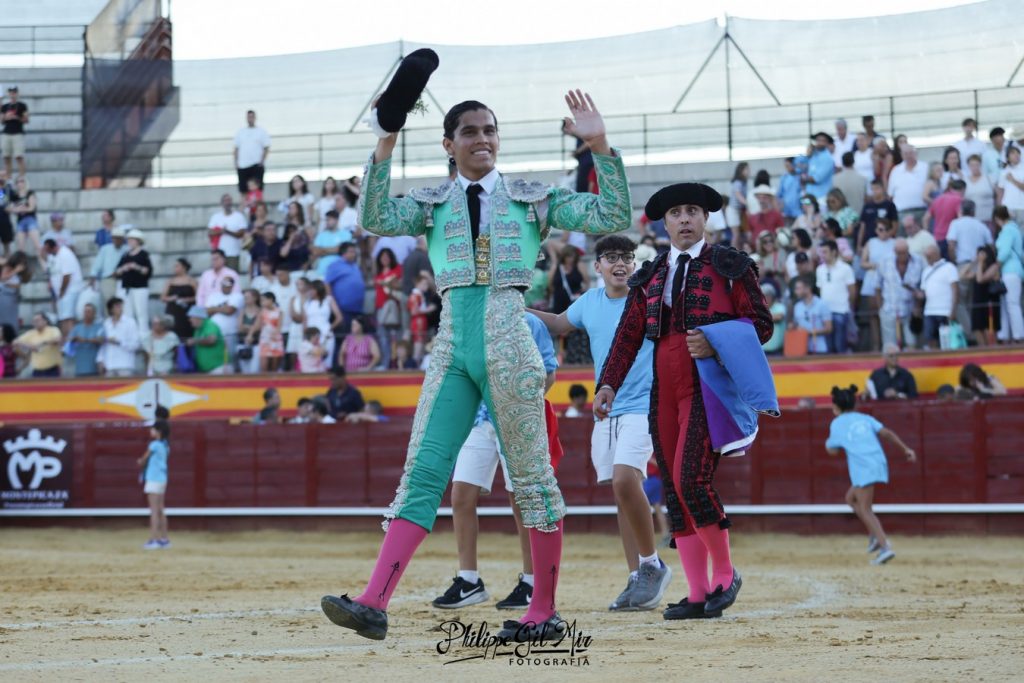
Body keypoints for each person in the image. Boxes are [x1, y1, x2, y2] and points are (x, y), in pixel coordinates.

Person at [320, 89, 631, 642]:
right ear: (449, 144)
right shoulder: (431, 202)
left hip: (510, 342)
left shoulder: (532, 198)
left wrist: (599, 145)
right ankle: (374, 601)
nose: (482, 139)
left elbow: (613, 214)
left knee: (532, 478)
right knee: (422, 472)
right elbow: (374, 216)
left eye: (490, 130)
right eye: (470, 131)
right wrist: (386, 138)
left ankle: (543, 611)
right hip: (452, 346)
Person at [594, 182, 772, 621]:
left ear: (705, 218)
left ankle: (724, 574)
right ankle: (697, 592)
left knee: (690, 477)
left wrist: (716, 341)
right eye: (676, 213)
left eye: (692, 210)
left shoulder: (730, 266)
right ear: (665, 223)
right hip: (664, 389)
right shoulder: (650, 275)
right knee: (674, 490)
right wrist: (608, 384)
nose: (685, 219)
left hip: (705, 386)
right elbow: (628, 336)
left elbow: (761, 323)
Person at [532, 235, 670, 611]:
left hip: (644, 404)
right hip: (607, 410)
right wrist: (516, 308)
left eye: (626, 257)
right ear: (598, 266)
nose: (620, 263)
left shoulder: (647, 300)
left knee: (626, 480)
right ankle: (636, 577)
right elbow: (558, 324)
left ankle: (652, 565)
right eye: (611, 257)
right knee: (622, 495)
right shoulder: (590, 302)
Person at [429, 313, 560, 613]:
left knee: (521, 499)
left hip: (516, 420)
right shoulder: (471, 322)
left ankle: (531, 582)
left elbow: (548, 374)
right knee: (461, 495)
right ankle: (469, 580)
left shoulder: (529, 323)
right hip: (480, 420)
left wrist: (521, 406)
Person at [825, 385, 916, 565]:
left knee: (865, 509)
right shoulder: (865, 418)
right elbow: (886, 433)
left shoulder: (837, 423)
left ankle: (884, 547)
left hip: (863, 467)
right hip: (877, 462)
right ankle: (875, 536)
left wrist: (829, 443)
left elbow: (833, 451)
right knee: (851, 499)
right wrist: (906, 449)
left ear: (836, 407)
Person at [877, 238, 923, 350]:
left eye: (905, 252)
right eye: (899, 253)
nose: (903, 255)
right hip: (889, 308)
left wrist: (918, 305)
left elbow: (923, 285)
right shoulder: (884, 261)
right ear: (894, 252)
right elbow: (877, 286)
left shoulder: (918, 261)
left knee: (912, 343)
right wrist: (880, 308)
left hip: (911, 310)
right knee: (890, 346)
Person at [918, 245, 960, 350]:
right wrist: (918, 295)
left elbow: (955, 290)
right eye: (926, 256)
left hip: (945, 311)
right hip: (929, 311)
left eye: (929, 256)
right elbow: (924, 292)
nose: (927, 259)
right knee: (931, 340)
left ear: (937, 254)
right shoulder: (926, 271)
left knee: (948, 342)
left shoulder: (949, 268)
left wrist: (953, 310)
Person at [138, 419, 171, 550]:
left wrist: (140, 462)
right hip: (162, 479)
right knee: (161, 509)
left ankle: (154, 540)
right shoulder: (166, 445)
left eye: (153, 429)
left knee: (154, 511)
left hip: (153, 479)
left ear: (159, 432)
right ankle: (164, 539)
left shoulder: (154, 445)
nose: (151, 431)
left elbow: (143, 460)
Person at [993, 206, 1024, 342]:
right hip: (1014, 270)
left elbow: (1004, 252)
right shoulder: (1015, 230)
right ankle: (1006, 334)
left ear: (997, 218)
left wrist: (996, 267)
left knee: (1011, 303)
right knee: (1008, 304)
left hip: (1009, 270)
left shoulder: (1007, 231)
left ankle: (1017, 335)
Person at [42, 238, 82, 337]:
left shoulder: (65, 254)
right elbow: (51, 272)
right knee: (62, 317)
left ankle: (69, 341)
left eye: (48, 250)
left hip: (69, 291)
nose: (47, 252)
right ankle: (65, 340)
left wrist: (61, 291)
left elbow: (66, 276)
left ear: (53, 247)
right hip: (60, 293)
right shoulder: (51, 256)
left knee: (68, 317)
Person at [114, 228, 152, 332]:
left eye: (132, 239)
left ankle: (143, 335)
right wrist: (124, 268)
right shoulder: (126, 254)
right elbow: (117, 271)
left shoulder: (144, 254)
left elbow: (147, 271)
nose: (129, 242)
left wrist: (136, 267)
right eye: (129, 240)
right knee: (128, 314)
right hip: (127, 288)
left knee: (141, 313)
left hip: (139, 288)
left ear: (138, 241)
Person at [204, 275, 243, 373]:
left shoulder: (237, 296)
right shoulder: (213, 296)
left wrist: (214, 309)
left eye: (227, 285)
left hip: (230, 332)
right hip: (215, 333)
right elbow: (207, 311)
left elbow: (230, 310)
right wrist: (222, 308)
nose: (225, 287)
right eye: (223, 284)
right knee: (217, 356)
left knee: (231, 356)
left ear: (232, 286)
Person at [325, 241, 366, 330]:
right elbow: (327, 284)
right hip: (342, 309)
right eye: (351, 251)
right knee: (345, 334)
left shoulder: (355, 266)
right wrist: (332, 304)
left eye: (354, 252)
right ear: (343, 253)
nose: (354, 254)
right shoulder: (335, 266)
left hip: (357, 309)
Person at [373, 248, 403, 369]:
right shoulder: (378, 273)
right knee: (383, 337)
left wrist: (387, 283)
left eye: (387, 256)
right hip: (380, 308)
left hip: (394, 307)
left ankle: (398, 364)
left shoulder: (398, 269)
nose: (384, 259)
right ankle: (385, 364)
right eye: (382, 257)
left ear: (391, 258)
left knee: (396, 337)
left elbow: (401, 285)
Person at [303, 280, 343, 365]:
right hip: (311, 336)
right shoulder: (307, 303)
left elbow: (339, 317)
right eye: (309, 289)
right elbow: (305, 322)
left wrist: (329, 328)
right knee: (312, 362)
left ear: (318, 289)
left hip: (325, 334)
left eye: (312, 289)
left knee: (326, 362)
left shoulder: (328, 300)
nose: (310, 292)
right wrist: (305, 337)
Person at [97, 297, 140, 377]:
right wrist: (100, 360)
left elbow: (136, 345)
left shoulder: (130, 322)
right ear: (111, 309)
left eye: (120, 306)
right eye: (117, 306)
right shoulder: (106, 323)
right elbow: (103, 343)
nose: (120, 308)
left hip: (125, 365)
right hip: (109, 365)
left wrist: (119, 342)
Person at [89, 225, 127, 312]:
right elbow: (97, 264)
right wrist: (93, 276)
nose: (117, 240)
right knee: (109, 303)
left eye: (119, 238)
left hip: (123, 280)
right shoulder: (105, 249)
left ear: (122, 239)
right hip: (108, 279)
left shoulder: (126, 250)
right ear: (112, 239)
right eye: (115, 238)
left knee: (122, 304)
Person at [887, 145, 928, 225]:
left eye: (911, 153)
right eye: (906, 153)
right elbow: (890, 194)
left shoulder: (925, 168)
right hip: (901, 213)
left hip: (922, 212)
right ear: (902, 155)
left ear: (916, 153)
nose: (909, 156)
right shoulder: (895, 171)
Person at [925, 179, 966, 256]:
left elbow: (926, 218)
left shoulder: (938, 199)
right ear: (963, 190)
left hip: (937, 237)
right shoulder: (958, 200)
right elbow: (961, 219)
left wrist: (928, 234)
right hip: (951, 238)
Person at [207, 195, 248, 272]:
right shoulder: (215, 217)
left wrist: (227, 231)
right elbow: (210, 232)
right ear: (221, 203)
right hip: (218, 254)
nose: (228, 202)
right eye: (225, 200)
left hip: (233, 253)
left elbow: (241, 233)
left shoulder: (238, 216)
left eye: (229, 200)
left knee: (232, 276)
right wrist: (221, 231)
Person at [13, 312, 62, 377]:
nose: (35, 323)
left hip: (52, 369)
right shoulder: (31, 333)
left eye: (37, 320)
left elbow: (58, 340)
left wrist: (43, 343)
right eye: (33, 321)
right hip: (37, 370)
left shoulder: (53, 330)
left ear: (45, 321)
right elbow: (15, 342)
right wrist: (29, 346)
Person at [971, 245, 1002, 347]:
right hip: (978, 301)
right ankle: (983, 349)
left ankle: (993, 350)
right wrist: (974, 262)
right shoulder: (979, 267)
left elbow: (980, 279)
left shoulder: (994, 266)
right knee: (977, 327)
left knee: (989, 329)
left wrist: (980, 263)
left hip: (989, 301)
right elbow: (962, 275)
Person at [791, 278, 832, 354]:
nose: (795, 291)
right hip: (801, 348)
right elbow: (796, 325)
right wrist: (792, 326)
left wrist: (808, 332)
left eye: (798, 288)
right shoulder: (797, 306)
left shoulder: (822, 304)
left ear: (807, 288)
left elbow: (828, 328)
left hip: (819, 349)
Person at [160, 258, 197, 342]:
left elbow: (198, 297)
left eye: (177, 266)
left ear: (184, 268)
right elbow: (162, 297)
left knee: (186, 333)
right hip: (173, 312)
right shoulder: (170, 281)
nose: (175, 268)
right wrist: (171, 298)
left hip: (186, 313)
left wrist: (187, 300)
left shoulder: (192, 281)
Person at [233, 110, 270, 193]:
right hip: (243, 165)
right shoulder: (240, 132)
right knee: (243, 191)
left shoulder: (261, 131)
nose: (250, 119)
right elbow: (236, 148)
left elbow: (266, 147)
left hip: (256, 165)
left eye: (252, 117)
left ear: (255, 118)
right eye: (249, 117)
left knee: (257, 191)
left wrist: (262, 161)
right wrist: (236, 163)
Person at [857, 179, 898, 251]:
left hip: (885, 243)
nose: (874, 191)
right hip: (869, 243)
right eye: (872, 189)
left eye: (877, 188)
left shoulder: (890, 205)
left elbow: (895, 226)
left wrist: (886, 236)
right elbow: (862, 227)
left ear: (883, 189)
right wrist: (859, 245)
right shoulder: (867, 206)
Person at [185, 305, 227, 374]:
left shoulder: (209, 325)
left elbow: (212, 340)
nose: (190, 320)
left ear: (198, 317)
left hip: (217, 368)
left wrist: (195, 341)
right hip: (205, 370)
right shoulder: (197, 330)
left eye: (191, 317)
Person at [68, 304, 104, 376]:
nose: (86, 314)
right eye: (85, 311)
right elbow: (68, 341)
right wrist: (74, 339)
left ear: (94, 314)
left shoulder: (99, 327)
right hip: (80, 368)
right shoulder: (77, 328)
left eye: (89, 311)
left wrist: (85, 340)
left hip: (94, 367)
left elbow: (101, 340)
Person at [1, 85, 29, 178]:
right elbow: (2, 121)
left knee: (19, 156)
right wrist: (6, 117)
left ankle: (22, 178)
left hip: (18, 133)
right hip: (7, 133)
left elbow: (26, 120)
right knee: (6, 157)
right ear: (9, 94)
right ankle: (8, 178)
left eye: (14, 92)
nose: (12, 94)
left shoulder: (22, 105)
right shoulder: (5, 106)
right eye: (11, 92)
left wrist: (17, 117)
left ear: (17, 93)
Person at [0, 251, 29, 330]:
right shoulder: (8, 267)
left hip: (13, 295)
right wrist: (16, 270)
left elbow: (21, 282)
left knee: (12, 319)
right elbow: (3, 278)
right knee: (5, 319)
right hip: (5, 294)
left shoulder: (20, 271)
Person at [964, 154, 995, 225]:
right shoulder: (964, 180)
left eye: (977, 165)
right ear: (968, 166)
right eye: (972, 165)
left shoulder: (989, 178)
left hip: (988, 218)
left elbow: (997, 195)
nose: (974, 167)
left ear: (980, 165)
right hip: (970, 220)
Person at [804, 132, 835, 201]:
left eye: (823, 141)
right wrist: (808, 155)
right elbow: (800, 167)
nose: (820, 143)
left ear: (827, 143)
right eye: (818, 140)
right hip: (809, 195)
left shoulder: (828, 159)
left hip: (820, 198)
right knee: (806, 207)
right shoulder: (813, 155)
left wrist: (803, 179)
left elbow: (815, 179)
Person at [777, 157, 802, 224]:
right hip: (787, 211)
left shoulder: (801, 176)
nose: (786, 168)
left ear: (794, 164)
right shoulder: (784, 178)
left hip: (799, 211)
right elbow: (779, 194)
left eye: (788, 166)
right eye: (785, 166)